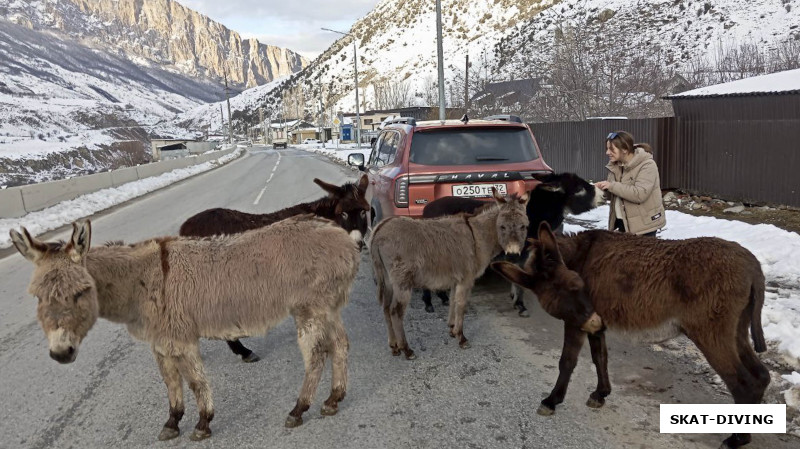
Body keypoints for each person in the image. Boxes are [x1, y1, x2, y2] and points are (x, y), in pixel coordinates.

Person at [594, 131, 665, 237]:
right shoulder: (615, 165)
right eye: (607, 148)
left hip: (643, 227)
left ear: (625, 149)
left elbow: (639, 194)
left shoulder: (647, 165)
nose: (607, 152)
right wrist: (602, 189)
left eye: (611, 149)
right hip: (622, 223)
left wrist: (611, 186)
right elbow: (617, 192)